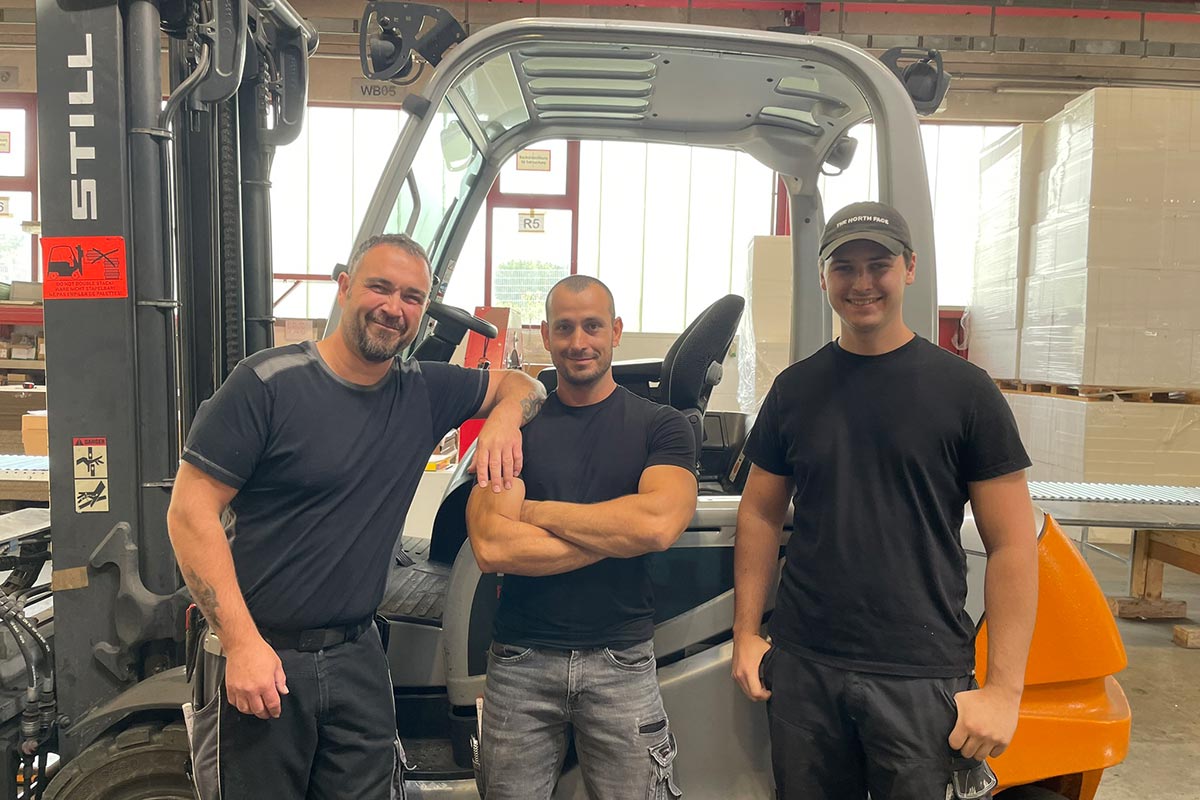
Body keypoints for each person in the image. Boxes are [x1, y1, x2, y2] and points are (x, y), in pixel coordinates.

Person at [167, 232, 546, 799]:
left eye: (412, 297)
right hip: (264, 654)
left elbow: (526, 384)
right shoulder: (266, 384)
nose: (394, 308)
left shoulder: (423, 392)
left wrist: (504, 418)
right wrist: (240, 644)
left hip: (358, 656)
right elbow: (189, 512)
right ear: (344, 287)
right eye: (380, 287)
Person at [731, 201, 1038, 799]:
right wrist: (747, 633)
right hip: (806, 666)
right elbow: (760, 512)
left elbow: (1013, 545)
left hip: (921, 675)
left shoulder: (966, 392)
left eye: (879, 265)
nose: (862, 283)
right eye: (844, 267)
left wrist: (1005, 690)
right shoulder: (794, 390)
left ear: (910, 268)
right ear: (823, 277)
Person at [466, 275, 698, 799]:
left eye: (593, 326)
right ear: (545, 335)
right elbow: (493, 545)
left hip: (622, 662)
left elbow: (656, 525)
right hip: (521, 663)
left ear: (615, 331)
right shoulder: (517, 431)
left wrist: (534, 511)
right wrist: (618, 533)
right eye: (565, 328)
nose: (578, 342)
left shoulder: (661, 426)